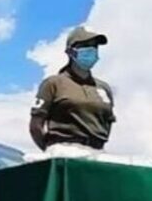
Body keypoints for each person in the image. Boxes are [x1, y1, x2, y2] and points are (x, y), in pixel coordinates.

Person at [30, 26, 116, 158]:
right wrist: (50, 151)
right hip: (64, 150)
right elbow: (36, 124)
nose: (92, 50)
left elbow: (108, 123)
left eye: (95, 46)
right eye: (85, 45)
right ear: (71, 51)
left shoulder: (104, 88)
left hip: (98, 153)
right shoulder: (53, 83)